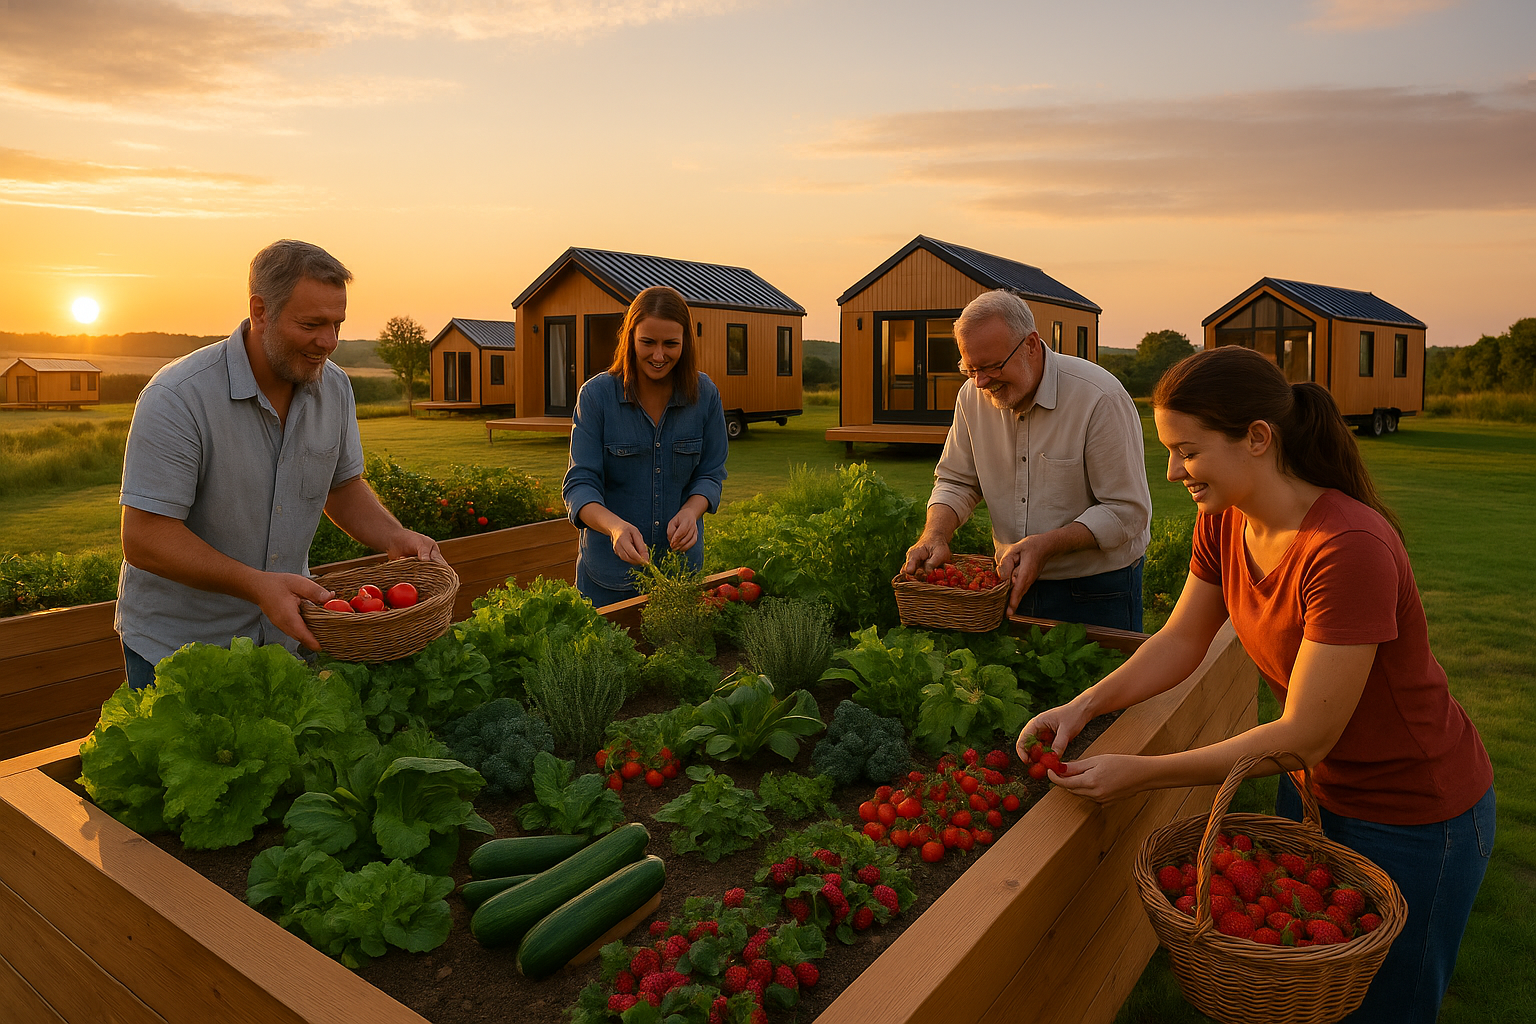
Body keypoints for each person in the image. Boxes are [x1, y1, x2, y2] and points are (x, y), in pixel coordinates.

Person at [1025, 346, 1494, 1023]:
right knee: (1300, 1001)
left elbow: (1307, 733)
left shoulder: (1346, 547)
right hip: (1310, 788)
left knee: (1381, 1010)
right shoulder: (1225, 517)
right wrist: (1083, 704)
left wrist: (1141, 772)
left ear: (1257, 438)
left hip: (1413, 814)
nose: (1172, 471)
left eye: (1187, 451)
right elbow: (1181, 640)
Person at [117, 239, 443, 688]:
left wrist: (393, 535)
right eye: (311, 324)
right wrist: (256, 584)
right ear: (260, 311)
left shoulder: (335, 388)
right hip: (181, 651)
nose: (328, 342)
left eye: (337, 324)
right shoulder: (178, 397)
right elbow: (144, 538)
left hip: (286, 642)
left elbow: (341, 487)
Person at [902, 289, 1152, 630]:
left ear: (1031, 345)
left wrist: (1046, 545)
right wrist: (935, 534)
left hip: (1096, 591)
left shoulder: (1099, 397)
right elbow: (957, 481)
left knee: (1104, 669)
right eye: (970, 369)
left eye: (992, 367)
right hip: (1009, 582)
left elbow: (1126, 511)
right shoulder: (972, 396)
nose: (981, 382)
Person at [562, 285, 728, 607]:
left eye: (671, 344)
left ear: (686, 342)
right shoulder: (596, 396)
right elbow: (579, 485)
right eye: (648, 342)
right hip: (607, 577)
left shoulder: (705, 395)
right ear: (630, 338)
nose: (659, 355)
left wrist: (691, 511)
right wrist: (614, 528)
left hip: (680, 573)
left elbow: (711, 474)